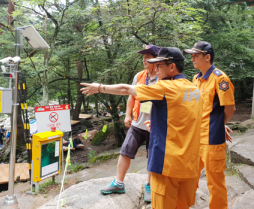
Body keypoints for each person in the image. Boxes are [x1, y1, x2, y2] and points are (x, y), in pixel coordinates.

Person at [81, 47, 203, 209]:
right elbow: (189, 121)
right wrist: (161, 124)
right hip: (190, 166)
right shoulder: (194, 89)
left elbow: (127, 90)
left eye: (159, 65)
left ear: (172, 67)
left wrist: (100, 87)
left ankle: (121, 182)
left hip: (167, 166)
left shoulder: (166, 87)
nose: (156, 69)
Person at [99, 45, 160, 202]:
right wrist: (127, 115)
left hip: (155, 125)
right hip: (138, 123)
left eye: (148, 57)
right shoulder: (139, 76)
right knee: (125, 151)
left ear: (156, 59)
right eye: (143, 57)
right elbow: (131, 96)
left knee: (152, 156)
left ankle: (150, 185)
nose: (144, 60)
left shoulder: (163, 77)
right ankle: (119, 183)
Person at [183, 41, 236, 209]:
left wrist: (220, 124)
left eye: (195, 56)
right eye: (191, 56)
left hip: (212, 138)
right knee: (190, 176)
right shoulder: (196, 78)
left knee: (214, 182)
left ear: (207, 57)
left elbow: (230, 107)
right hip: (195, 137)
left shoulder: (220, 78)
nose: (192, 59)